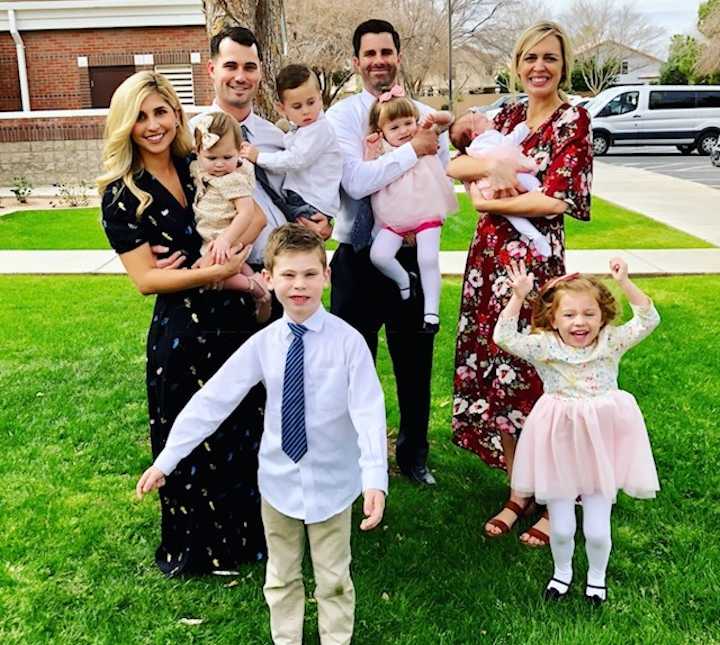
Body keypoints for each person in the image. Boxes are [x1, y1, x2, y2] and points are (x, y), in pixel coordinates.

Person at [136, 224, 388, 645]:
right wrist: (168, 458)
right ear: (268, 279)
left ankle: (336, 638)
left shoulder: (349, 344)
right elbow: (213, 399)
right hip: (278, 483)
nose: (299, 285)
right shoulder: (264, 343)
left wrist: (374, 476)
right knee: (281, 573)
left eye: (310, 274)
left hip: (332, 482)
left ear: (326, 277)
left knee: (334, 577)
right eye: (288, 275)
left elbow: (367, 409)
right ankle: (286, 638)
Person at [96, 71, 267, 575]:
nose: (153, 125)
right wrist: (218, 269)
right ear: (125, 126)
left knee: (240, 429)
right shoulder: (122, 195)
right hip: (183, 331)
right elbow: (146, 280)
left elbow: (253, 214)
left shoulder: (199, 163)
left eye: (160, 112)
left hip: (234, 320)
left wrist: (211, 262)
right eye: (141, 117)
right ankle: (194, 552)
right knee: (190, 437)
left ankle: (245, 540)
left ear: (176, 113)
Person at [448, 21, 593, 544]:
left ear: (563, 65)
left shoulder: (572, 120)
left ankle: (561, 496)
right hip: (488, 265)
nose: (539, 67)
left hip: (534, 267)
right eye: (530, 57)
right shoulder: (503, 115)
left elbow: (557, 199)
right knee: (499, 371)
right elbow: (453, 165)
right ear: (516, 63)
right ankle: (520, 489)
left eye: (550, 58)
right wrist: (484, 172)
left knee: (543, 376)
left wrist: (488, 200)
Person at [493, 258, 660, 604]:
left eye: (589, 313)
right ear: (553, 318)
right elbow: (504, 336)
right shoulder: (544, 346)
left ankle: (596, 578)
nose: (580, 322)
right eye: (569, 315)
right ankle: (562, 573)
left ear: (603, 317)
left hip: (600, 443)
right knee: (564, 526)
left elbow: (648, 319)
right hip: (559, 442)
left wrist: (625, 281)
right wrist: (519, 297)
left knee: (598, 530)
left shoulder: (610, 342)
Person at [326, 18, 449, 485]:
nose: (379, 61)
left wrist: (424, 153)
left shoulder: (423, 115)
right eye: (370, 54)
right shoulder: (341, 118)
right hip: (357, 255)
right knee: (350, 361)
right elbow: (354, 180)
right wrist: (409, 151)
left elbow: (440, 172)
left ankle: (414, 455)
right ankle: (354, 453)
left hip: (409, 255)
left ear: (399, 57)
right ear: (356, 62)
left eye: (387, 52)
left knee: (414, 360)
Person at [190, 26, 332, 252]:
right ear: (211, 69)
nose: (240, 77)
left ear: (260, 72)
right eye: (230, 66)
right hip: (223, 268)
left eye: (249, 67)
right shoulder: (191, 137)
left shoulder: (278, 138)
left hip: (282, 269)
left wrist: (323, 220)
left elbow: (308, 182)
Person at [364, 88, 457, 332]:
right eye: (394, 127)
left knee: (427, 258)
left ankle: (431, 313)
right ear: (381, 132)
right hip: (394, 217)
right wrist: (372, 146)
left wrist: (434, 118)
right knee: (379, 255)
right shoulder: (381, 150)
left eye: (408, 122)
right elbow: (364, 176)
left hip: (426, 211)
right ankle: (405, 280)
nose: (404, 130)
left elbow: (449, 120)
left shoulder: (424, 135)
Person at [190, 110, 272, 321]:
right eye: (211, 157)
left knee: (210, 277)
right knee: (235, 270)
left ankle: (256, 289)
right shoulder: (199, 170)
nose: (219, 164)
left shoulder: (233, 179)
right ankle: (260, 292)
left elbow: (246, 213)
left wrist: (225, 240)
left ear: (239, 152)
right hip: (212, 236)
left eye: (227, 157)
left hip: (222, 237)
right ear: (197, 152)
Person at [239, 64, 343, 225]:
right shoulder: (304, 129)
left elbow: (296, 159)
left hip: (311, 201)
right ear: (282, 108)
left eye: (311, 102)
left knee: (298, 244)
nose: (306, 111)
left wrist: (259, 157)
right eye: (297, 106)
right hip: (307, 198)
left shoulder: (319, 129)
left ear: (320, 98)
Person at [449, 110, 551, 258]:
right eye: (478, 118)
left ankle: (535, 235)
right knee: (530, 182)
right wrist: (523, 128)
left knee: (512, 215)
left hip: (487, 190)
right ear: (475, 134)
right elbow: (508, 142)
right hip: (507, 179)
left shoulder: (473, 148)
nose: (483, 116)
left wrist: (484, 204)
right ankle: (539, 195)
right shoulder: (487, 138)